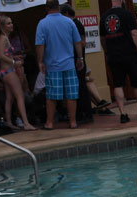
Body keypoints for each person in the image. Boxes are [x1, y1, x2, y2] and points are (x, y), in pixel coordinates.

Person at [102, 0, 137, 122]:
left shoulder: (104, 16)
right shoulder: (127, 14)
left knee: (118, 84)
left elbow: (103, 38)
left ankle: (123, 114)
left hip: (114, 55)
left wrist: (107, 52)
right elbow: (135, 33)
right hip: (129, 53)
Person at [35, 0, 85, 129]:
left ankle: (49, 122)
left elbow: (40, 45)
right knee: (71, 94)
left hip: (52, 65)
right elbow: (77, 42)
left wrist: (40, 61)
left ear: (46, 8)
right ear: (58, 6)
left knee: (51, 96)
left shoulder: (42, 24)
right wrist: (80, 58)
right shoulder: (69, 22)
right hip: (69, 64)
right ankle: (73, 121)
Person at [0, 17, 36, 131]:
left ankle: (9, 121)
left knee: (9, 98)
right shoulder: (3, 39)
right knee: (19, 96)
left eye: (11, 23)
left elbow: (5, 54)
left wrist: (14, 57)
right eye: (8, 24)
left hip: (6, 71)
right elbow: (0, 55)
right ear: (3, 26)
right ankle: (25, 122)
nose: (11, 25)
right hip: (8, 71)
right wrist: (14, 62)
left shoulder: (5, 38)